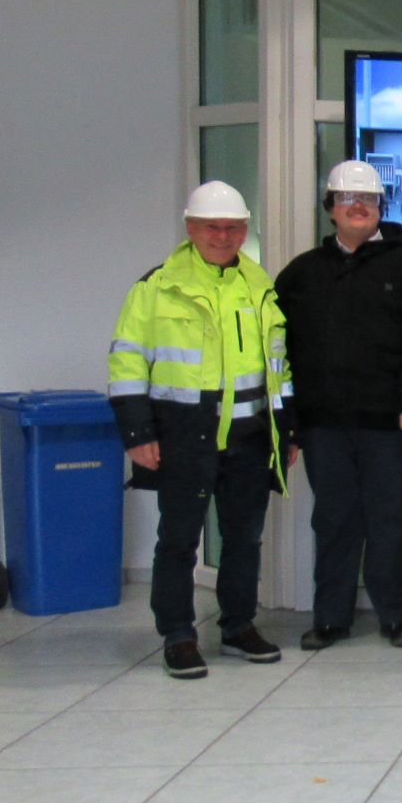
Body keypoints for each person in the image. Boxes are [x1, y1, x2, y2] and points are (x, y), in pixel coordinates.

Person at [109, 182, 293, 680]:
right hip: (183, 434)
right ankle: (178, 634)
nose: (223, 236)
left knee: (244, 539)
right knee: (179, 539)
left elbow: (280, 368)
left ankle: (238, 626)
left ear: (245, 231)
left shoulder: (259, 286)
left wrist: (286, 432)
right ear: (190, 228)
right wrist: (137, 434)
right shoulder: (156, 287)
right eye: (212, 226)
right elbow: (127, 363)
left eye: (233, 227)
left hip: (250, 435)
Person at [276, 161, 402, 651]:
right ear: (330, 208)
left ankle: (395, 616)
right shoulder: (302, 274)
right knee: (333, 521)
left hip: (392, 424)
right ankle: (330, 618)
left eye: (368, 200)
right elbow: (280, 349)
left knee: (389, 521)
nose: (358, 207)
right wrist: (292, 422)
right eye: (347, 199)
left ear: (381, 207)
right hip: (324, 425)